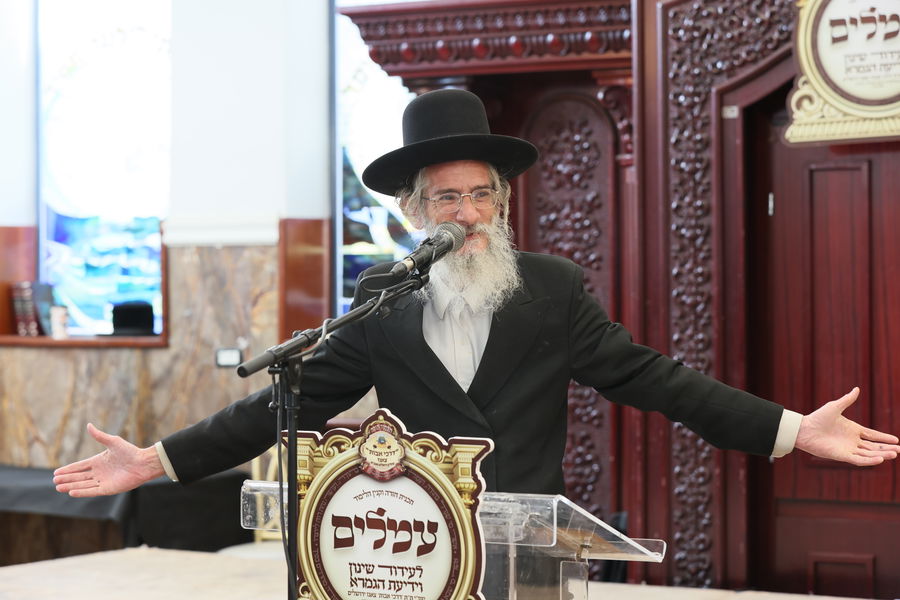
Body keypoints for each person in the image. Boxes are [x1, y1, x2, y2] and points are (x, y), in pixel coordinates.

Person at [54, 89, 899, 499]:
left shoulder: (552, 290)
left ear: (502, 201)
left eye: (482, 195)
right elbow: (287, 403)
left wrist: (792, 429)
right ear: (416, 212)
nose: (468, 214)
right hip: (414, 540)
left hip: (523, 538)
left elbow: (657, 380)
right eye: (448, 199)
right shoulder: (382, 298)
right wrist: (156, 460)